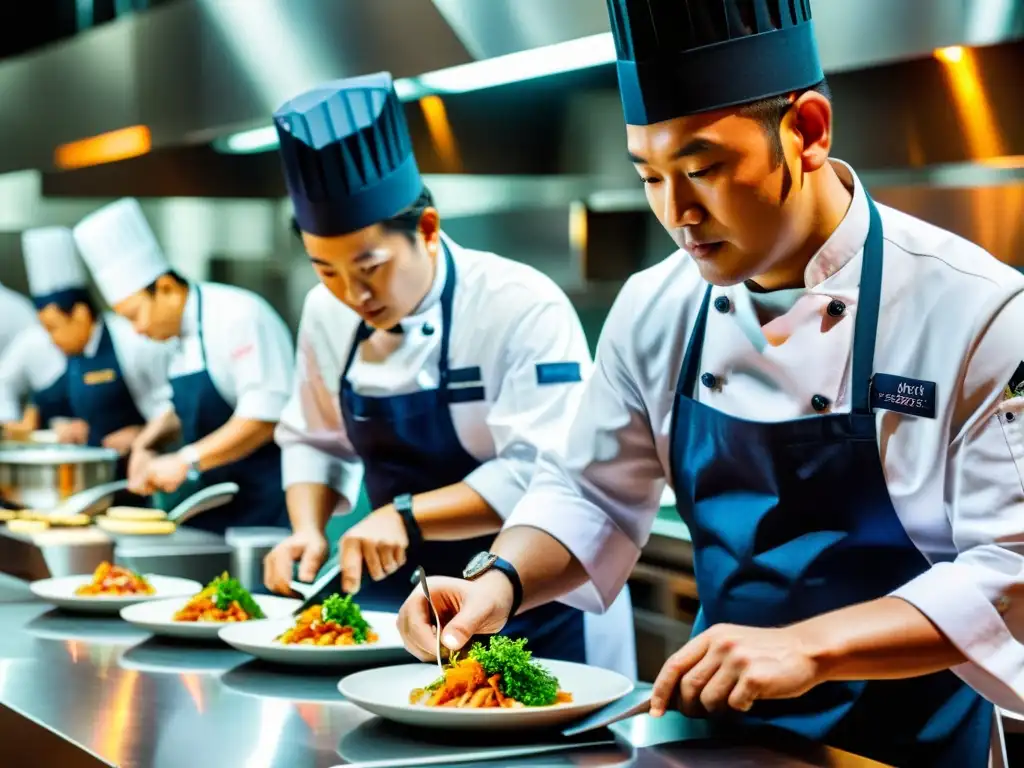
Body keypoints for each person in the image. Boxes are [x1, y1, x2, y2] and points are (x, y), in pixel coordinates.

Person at [396, 2, 1024, 766]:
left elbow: (1012, 569)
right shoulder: (656, 304)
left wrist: (813, 648)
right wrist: (500, 579)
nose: (677, 213)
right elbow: (589, 492)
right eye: (650, 176)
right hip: (712, 739)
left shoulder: (976, 310)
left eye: (702, 169)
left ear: (810, 131)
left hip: (908, 747)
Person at [261, 73, 636, 676]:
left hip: (531, 601)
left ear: (427, 230)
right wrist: (306, 529)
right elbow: (314, 438)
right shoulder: (325, 313)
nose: (351, 294)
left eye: (369, 267)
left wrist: (406, 516)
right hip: (406, 609)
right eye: (325, 271)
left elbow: (545, 472)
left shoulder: (519, 303)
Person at [72, 198, 294, 534]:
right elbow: (181, 409)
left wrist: (185, 460)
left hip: (266, 513)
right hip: (214, 509)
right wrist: (148, 444)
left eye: (135, 315)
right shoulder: (178, 339)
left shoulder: (238, 316)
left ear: (164, 289)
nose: (138, 330)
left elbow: (262, 418)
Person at [12, 226, 170, 491]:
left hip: (145, 480)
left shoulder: (130, 341)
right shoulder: (76, 354)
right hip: (99, 480)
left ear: (81, 314)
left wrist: (141, 435)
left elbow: (171, 407)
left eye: (53, 328)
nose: (52, 339)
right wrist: (79, 427)